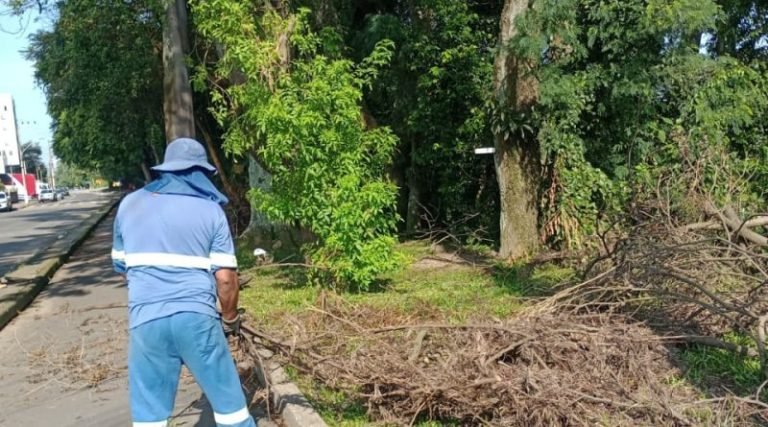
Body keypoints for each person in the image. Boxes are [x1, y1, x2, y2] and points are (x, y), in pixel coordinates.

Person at [111, 138, 257, 427]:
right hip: (196, 320)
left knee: (149, 418)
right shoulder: (210, 210)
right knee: (232, 411)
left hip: (146, 322)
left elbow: (123, 267)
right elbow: (226, 280)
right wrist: (229, 319)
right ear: (198, 172)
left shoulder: (130, 204)